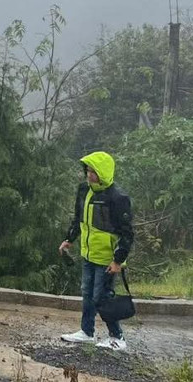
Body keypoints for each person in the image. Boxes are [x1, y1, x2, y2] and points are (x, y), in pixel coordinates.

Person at [59, 151, 134, 352]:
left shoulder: (118, 198)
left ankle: (117, 336)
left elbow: (127, 233)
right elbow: (78, 219)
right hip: (88, 254)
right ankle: (86, 331)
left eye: (94, 171)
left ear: (104, 172)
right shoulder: (84, 190)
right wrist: (69, 239)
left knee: (103, 296)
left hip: (107, 258)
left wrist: (118, 260)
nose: (89, 175)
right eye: (88, 170)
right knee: (87, 293)